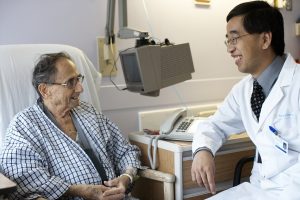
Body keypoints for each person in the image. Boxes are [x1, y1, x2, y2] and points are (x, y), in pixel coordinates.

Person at [191, 1, 300, 199]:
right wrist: (203, 150)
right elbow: (214, 125)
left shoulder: (297, 84)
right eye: (228, 41)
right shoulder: (244, 90)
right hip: (259, 189)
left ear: (265, 39)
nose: (230, 49)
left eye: (235, 39)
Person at [0, 52, 141, 200]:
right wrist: (79, 190)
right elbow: (24, 180)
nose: (80, 88)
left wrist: (126, 177)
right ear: (44, 90)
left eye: (78, 79)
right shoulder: (24, 125)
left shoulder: (89, 112)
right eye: (70, 82)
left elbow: (126, 151)